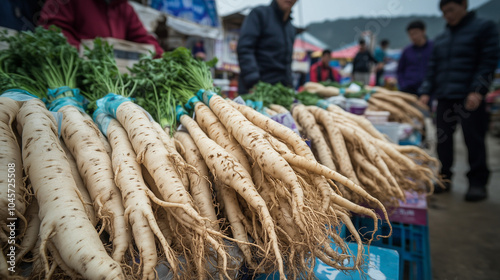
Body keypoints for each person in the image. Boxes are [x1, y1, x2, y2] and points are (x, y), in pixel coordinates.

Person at [418, 0, 499, 201]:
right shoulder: (442, 38)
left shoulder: (483, 28)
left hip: (469, 96)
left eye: (451, 10)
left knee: (474, 139)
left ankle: (477, 183)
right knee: (443, 139)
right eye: (444, 12)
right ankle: (445, 177)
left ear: (464, 5)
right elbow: (433, 68)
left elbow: (488, 62)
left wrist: (478, 90)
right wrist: (427, 91)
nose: (448, 15)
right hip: (445, 95)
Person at [38, 0, 163, 56]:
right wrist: (83, 54)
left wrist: (162, 56)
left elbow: (142, 37)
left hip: (112, 75)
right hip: (74, 72)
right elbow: (53, 30)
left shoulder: (124, 8)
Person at [237, 0, 297, 94]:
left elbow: (287, 62)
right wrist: (253, 81)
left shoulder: (290, 28)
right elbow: (245, 48)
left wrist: (290, 87)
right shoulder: (259, 14)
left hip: (280, 92)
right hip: (255, 89)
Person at [397, 21, 434, 95]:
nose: (413, 37)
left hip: (428, 90)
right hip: (408, 89)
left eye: (415, 33)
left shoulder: (433, 48)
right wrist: (403, 84)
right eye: (410, 34)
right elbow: (400, 70)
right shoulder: (407, 51)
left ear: (423, 31)